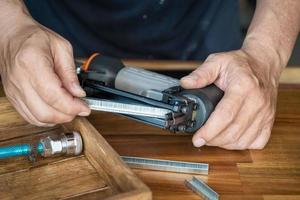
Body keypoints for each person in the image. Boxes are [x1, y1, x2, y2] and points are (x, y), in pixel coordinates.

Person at [0, 1, 299, 150]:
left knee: (225, 110)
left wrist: (264, 56)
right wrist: (10, 27)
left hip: (202, 39)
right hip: (54, 32)